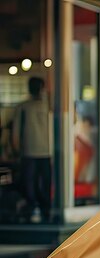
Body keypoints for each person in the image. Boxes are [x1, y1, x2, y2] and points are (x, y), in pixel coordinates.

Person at [12, 77, 52, 223]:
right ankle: (44, 210)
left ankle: (34, 208)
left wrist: (16, 150)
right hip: (46, 151)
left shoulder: (23, 107)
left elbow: (16, 133)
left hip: (30, 151)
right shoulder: (49, 106)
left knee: (30, 182)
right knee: (44, 182)